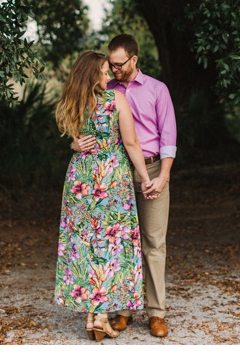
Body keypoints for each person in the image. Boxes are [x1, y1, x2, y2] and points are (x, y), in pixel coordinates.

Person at [73, 34, 177, 338]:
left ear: (134, 59)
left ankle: (156, 313)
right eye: (111, 64)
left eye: (119, 64)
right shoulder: (104, 88)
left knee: (154, 244)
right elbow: (83, 125)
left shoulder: (158, 90)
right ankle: (123, 310)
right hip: (114, 174)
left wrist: (162, 176)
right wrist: (74, 143)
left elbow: (169, 138)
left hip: (153, 167)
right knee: (121, 244)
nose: (114, 69)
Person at [54, 51, 158, 341]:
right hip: (110, 179)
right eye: (103, 71)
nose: (108, 76)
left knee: (86, 244)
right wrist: (146, 178)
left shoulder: (71, 102)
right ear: (92, 74)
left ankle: (91, 315)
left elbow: (75, 141)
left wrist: (75, 147)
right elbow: (131, 142)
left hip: (80, 181)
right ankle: (100, 317)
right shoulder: (114, 100)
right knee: (110, 245)